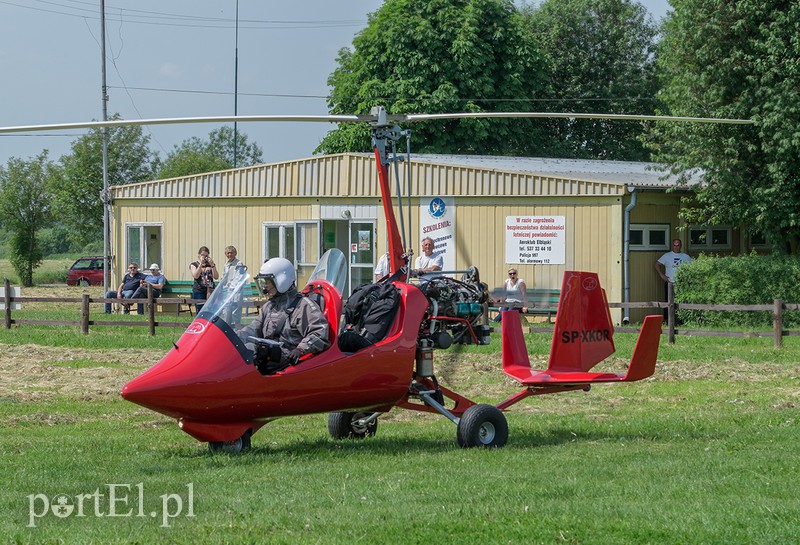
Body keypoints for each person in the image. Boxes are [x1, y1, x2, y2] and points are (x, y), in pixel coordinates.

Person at [239, 257, 330, 375]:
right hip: (267, 353)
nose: (264, 287)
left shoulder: (303, 306)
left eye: (267, 282)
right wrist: (234, 338)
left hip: (289, 358)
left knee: (251, 349)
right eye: (263, 282)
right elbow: (254, 328)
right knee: (242, 349)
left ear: (282, 280)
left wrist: (301, 349)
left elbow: (320, 332)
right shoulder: (269, 306)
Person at [654, 238, 692, 323]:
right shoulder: (667, 256)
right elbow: (657, 264)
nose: (676, 247)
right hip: (670, 283)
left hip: (681, 284)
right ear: (672, 246)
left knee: (681, 301)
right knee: (668, 302)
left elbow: (692, 268)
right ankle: (668, 321)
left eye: (678, 245)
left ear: (680, 246)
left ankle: (681, 321)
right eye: (674, 245)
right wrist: (662, 275)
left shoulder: (685, 257)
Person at [189, 246, 219, 312]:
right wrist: (200, 265)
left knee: (210, 311)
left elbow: (216, 277)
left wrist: (212, 265)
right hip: (199, 290)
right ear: (199, 255)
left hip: (210, 290)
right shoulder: (194, 264)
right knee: (200, 310)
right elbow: (195, 276)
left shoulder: (210, 265)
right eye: (202, 255)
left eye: (206, 255)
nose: (204, 257)